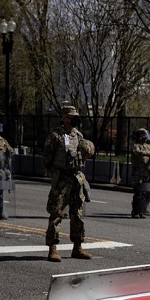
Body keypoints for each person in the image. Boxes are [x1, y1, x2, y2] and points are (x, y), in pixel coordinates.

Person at [42, 106, 95, 262]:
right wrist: (54, 173)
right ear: (64, 117)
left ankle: (77, 247)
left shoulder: (78, 135)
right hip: (62, 179)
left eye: (76, 116)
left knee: (77, 214)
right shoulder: (56, 136)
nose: (75, 118)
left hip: (76, 178)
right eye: (71, 116)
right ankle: (52, 248)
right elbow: (46, 157)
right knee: (57, 214)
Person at [130, 128, 150, 218]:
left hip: (147, 172)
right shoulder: (135, 145)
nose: (143, 137)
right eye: (141, 135)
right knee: (138, 192)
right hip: (138, 172)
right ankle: (135, 211)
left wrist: (149, 155)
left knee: (145, 193)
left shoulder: (148, 146)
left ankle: (141, 211)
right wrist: (147, 154)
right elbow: (137, 152)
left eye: (144, 135)